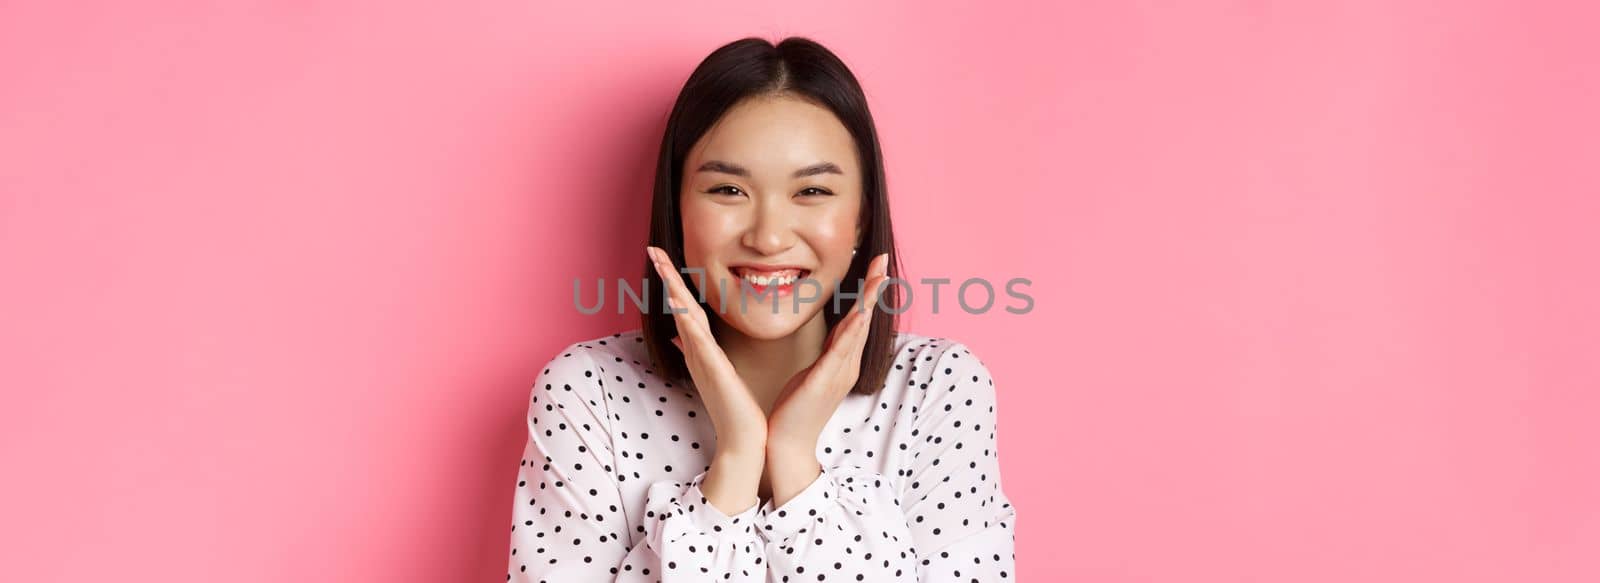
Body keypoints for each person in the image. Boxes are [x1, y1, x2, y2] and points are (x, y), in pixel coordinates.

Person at [505, 36, 1016, 582]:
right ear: (677, 213)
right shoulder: (589, 393)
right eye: (727, 189)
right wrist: (736, 461)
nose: (769, 238)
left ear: (861, 219)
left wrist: (795, 458)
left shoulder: (938, 388)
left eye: (813, 192)